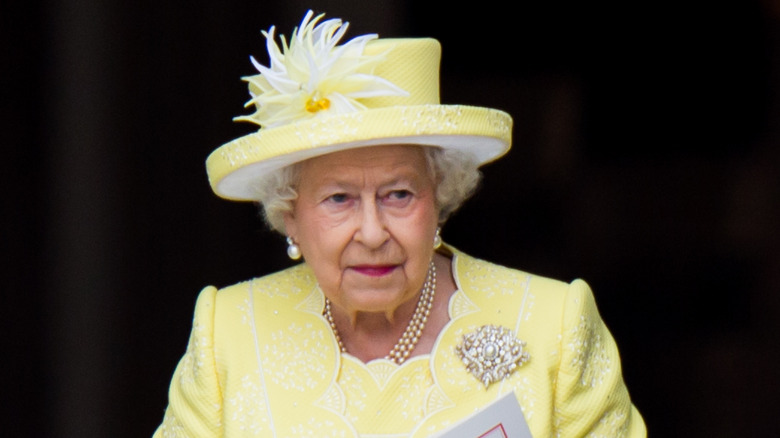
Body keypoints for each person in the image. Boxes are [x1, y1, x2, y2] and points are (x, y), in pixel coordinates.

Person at [153, 10, 646, 437]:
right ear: (290, 217)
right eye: (339, 198)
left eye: (399, 194)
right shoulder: (230, 334)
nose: (372, 233)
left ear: (440, 199)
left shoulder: (552, 324)